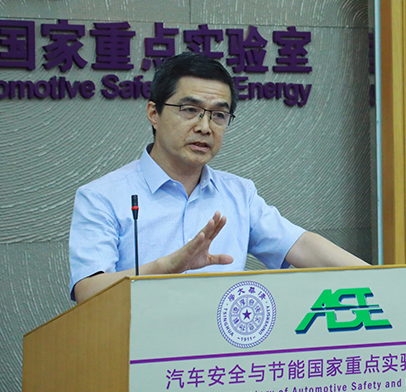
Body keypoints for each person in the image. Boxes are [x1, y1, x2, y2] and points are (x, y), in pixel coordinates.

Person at [69, 52, 368, 303]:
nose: (205, 127)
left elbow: (300, 246)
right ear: (153, 113)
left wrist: (382, 280)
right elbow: (87, 290)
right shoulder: (103, 196)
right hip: (138, 349)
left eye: (219, 115)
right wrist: (167, 266)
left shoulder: (238, 193)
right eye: (190, 110)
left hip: (222, 352)